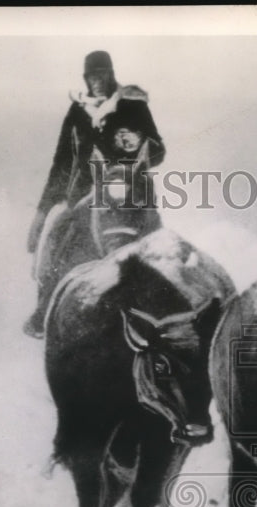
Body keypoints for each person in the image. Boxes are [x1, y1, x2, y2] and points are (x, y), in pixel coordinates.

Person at [24, 50, 165, 337]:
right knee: (54, 229)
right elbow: (61, 164)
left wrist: (136, 143)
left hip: (127, 190)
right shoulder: (78, 111)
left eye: (102, 75)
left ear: (111, 74)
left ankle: (165, 304)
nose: (97, 81)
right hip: (86, 195)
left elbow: (159, 150)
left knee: (157, 241)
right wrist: (41, 212)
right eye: (92, 76)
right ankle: (45, 306)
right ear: (86, 79)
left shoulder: (132, 105)